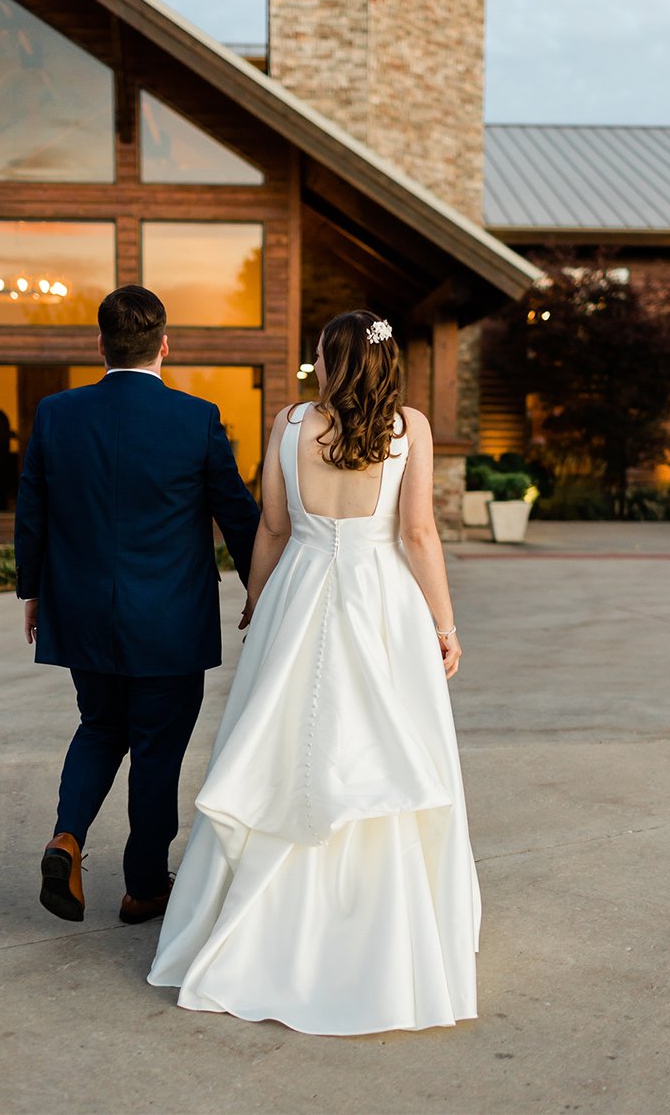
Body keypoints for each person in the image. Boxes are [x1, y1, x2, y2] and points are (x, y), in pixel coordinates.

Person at [147, 310, 478, 1034]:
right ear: (387, 362)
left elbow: (270, 526)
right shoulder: (409, 428)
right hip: (381, 598)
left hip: (298, 593)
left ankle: (256, 928)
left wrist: (258, 603)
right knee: (382, 754)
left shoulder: (290, 423)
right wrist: (444, 625)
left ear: (328, 362)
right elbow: (417, 533)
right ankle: (378, 939)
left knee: (281, 750)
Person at [15, 286, 259, 926]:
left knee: (100, 726)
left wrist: (32, 591)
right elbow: (235, 514)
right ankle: (145, 886)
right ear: (164, 346)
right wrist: (263, 590)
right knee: (156, 752)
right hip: (170, 621)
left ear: (100, 345)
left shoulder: (55, 414)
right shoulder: (197, 418)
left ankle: (66, 837)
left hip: (83, 612)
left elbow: (32, 512)